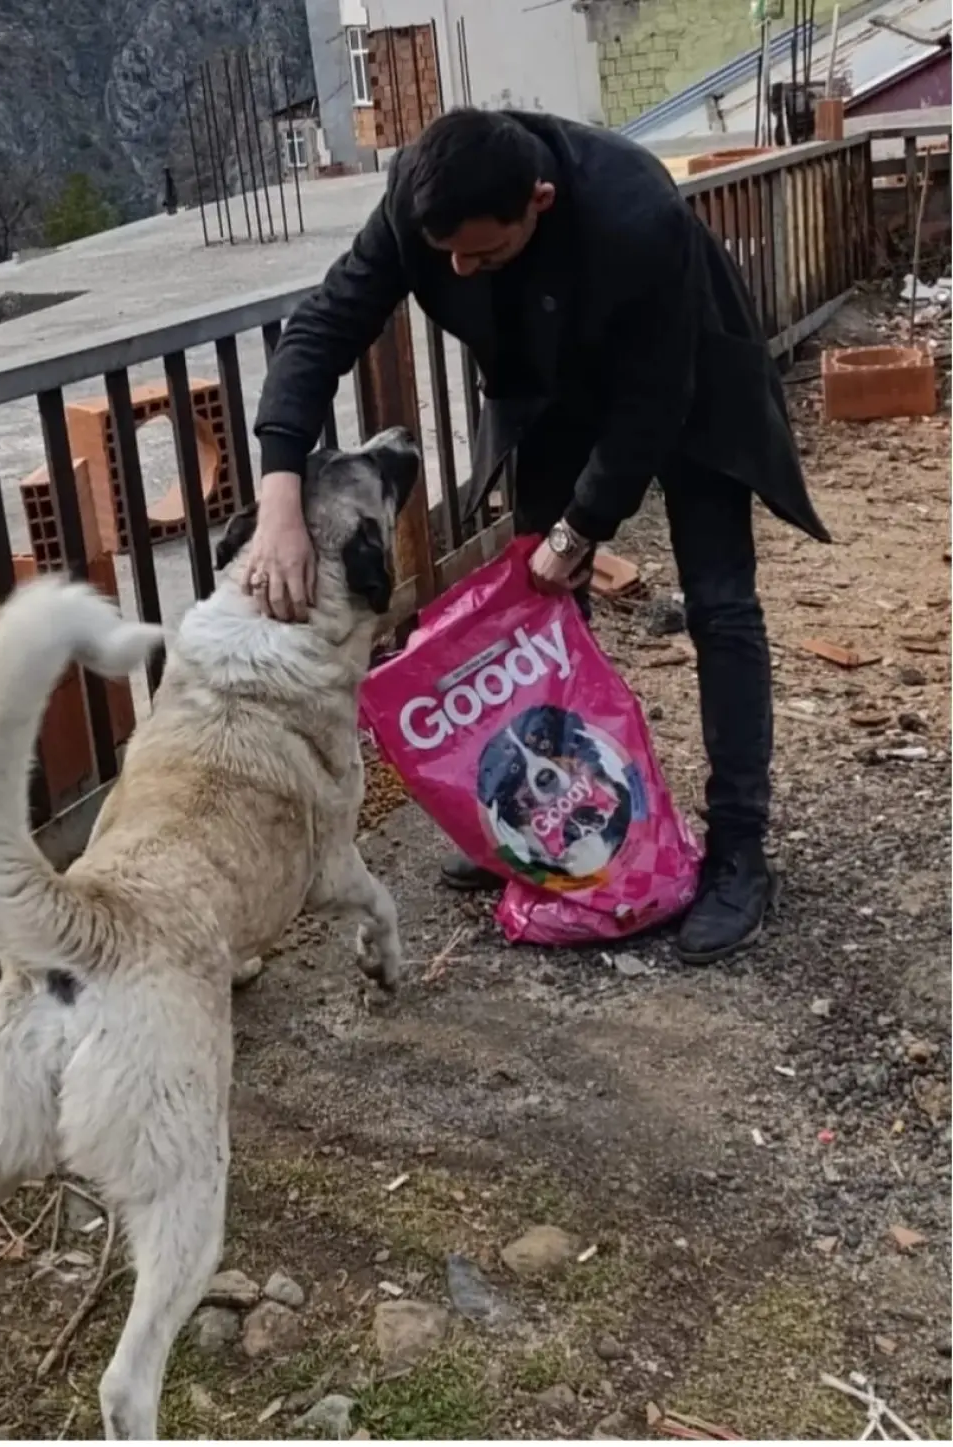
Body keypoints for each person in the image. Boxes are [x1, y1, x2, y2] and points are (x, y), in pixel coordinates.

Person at [245, 107, 829, 965]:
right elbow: (323, 328)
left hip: (689, 385)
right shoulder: (423, 200)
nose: (459, 272)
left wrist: (583, 527)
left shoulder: (637, 210)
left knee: (721, 605)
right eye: (448, 256)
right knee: (540, 610)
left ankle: (739, 850)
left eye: (483, 255)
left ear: (541, 202)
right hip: (551, 398)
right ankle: (557, 828)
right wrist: (279, 497)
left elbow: (653, 403)